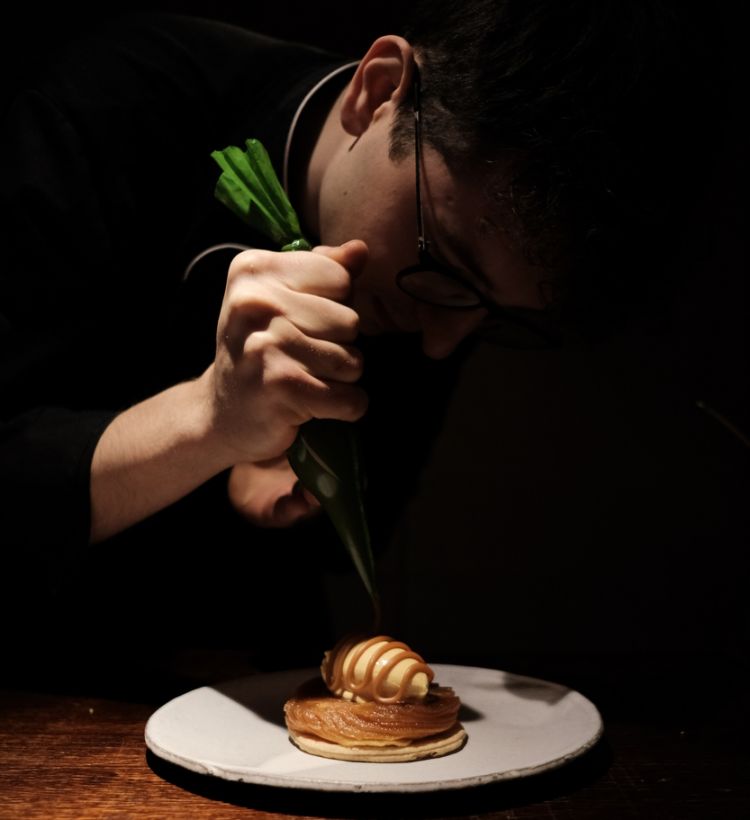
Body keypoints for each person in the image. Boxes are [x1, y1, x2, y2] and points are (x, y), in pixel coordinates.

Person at [0, 2, 726, 683]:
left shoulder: (446, 284)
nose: (441, 343)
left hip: (254, 683)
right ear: (378, 92)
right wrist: (210, 421)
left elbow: (355, 537)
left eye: (494, 316)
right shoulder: (115, 105)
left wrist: (290, 491)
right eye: (441, 260)